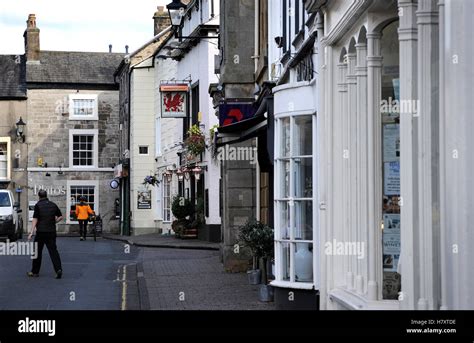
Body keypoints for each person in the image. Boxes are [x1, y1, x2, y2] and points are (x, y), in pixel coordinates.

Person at [27, 189, 63, 279]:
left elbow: (35, 219)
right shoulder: (53, 205)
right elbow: (60, 217)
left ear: (39, 196)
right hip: (51, 232)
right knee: (53, 251)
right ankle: (58, 269)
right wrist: (55, 222)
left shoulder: (38, 205)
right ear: (47, 196)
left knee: (37, 252)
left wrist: (31, 232)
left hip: (41, 232)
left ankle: (35, 272)